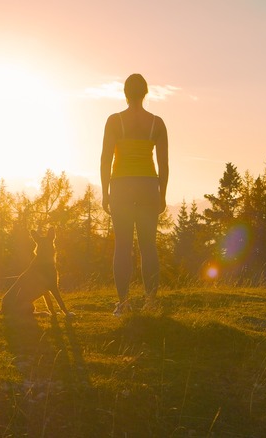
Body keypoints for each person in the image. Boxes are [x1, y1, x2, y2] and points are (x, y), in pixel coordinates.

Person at [100, 73, 169, 316]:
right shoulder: (157, 123)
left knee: (122, 246)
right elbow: (164, 164)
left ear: (125, 93)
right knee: (148, 246)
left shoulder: (114, 121)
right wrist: (162, 195)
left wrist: (105, 192)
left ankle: (123, 303)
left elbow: (106, 159)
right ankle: (150, 301)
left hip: (121, 186)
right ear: (146, 92)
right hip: (149, 185)